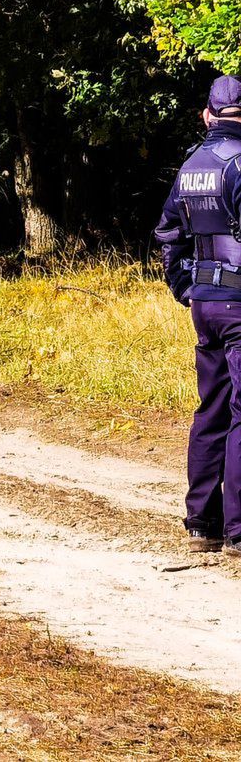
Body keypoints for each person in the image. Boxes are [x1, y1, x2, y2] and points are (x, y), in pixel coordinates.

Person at [155, 74, 241, 556]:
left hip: (205, 304)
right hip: (239, 303)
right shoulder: (240, 163)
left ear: (208, 115)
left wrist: (184, 288)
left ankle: (202, 524)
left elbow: (168, 232)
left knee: (211, 410)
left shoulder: (191, 165)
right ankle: (238, 530)